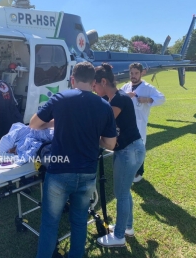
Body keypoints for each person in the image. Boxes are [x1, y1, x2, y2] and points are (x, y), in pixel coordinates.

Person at [30, 61, 117, 258]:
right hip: (87, 172)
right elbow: (111, 144)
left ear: (72, 79)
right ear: (93, 82)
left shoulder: (61, 98)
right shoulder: (104, 105)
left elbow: (34, 124)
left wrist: (57, 122)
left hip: (59, 172)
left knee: (50, 222)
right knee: (78, 221)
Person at [93, 63, 146, 248]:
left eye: (94, 85)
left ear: (104, 81)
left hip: (128, 151)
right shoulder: (117, 98)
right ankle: (127, 227)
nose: (93, 89)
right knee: (124, 192)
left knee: (121, 193)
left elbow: (101, 126)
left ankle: (119, 236)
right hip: (132, 149)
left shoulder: (117, 101)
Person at [120, 62, 165, 182]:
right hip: (126, 123)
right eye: (131, 73)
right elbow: (117, 97)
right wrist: (125, 96)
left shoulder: (147, 88)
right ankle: (128, 169)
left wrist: (148, 99)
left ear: (141, 73)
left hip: (140, 122)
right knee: (128, 146)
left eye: (136, 73)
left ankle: (138, 171)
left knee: (139, 146)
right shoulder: (126, 87)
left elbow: (162, 98)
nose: (133, 76)